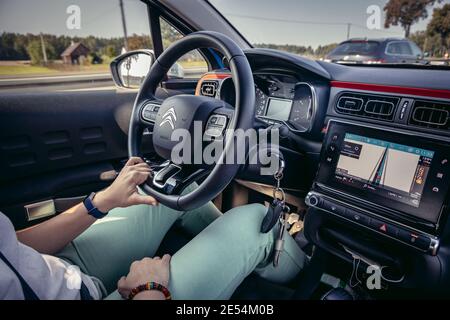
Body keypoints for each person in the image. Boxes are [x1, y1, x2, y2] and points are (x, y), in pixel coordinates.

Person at [0, 157, 305, 300]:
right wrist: (149, 291)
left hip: (58, 268)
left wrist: (101, 202)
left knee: (175, 190)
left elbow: (10, 246)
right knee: (256, 223)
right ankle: (310, 269)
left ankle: (242, 257)